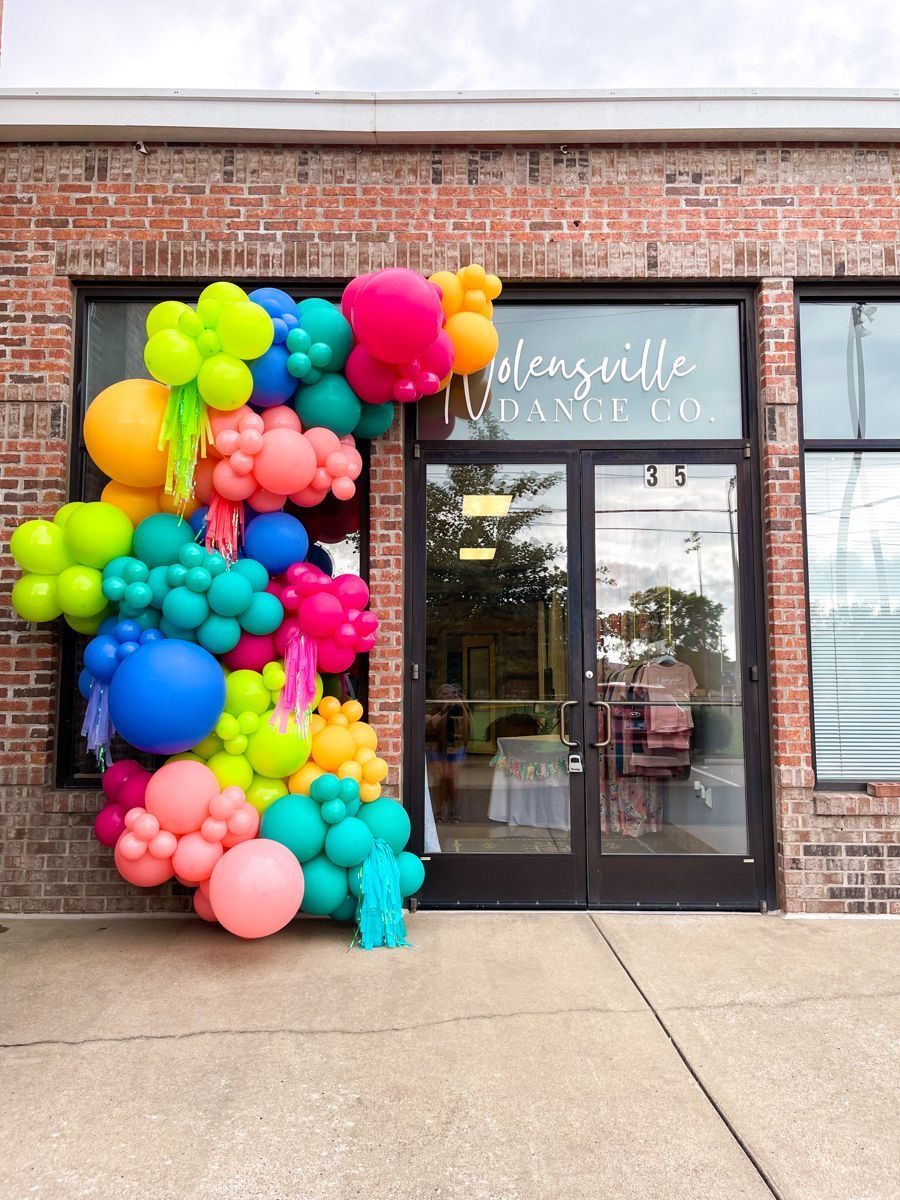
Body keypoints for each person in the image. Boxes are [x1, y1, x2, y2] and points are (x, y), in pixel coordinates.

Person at [425, 683, 471, 824]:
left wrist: (463, 705)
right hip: (437, 746)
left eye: (450, 694)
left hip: (455, 746)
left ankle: (453, 811)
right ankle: (439, 811)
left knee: (451, 778)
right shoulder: (433, 708)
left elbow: (468, 725)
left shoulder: (459, 708)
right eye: (443, 694)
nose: (447, 697)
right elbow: (432, 724)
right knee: (441, 778)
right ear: (438, 696)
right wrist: (444, 709)